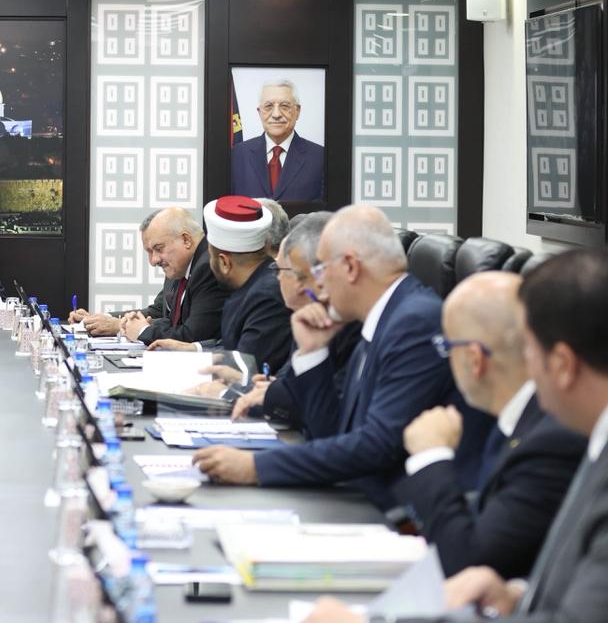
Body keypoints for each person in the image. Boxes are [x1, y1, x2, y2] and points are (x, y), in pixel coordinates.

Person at [306, 249, 608, 623]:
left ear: (561, 365)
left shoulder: (558, 439)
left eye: (529, 351)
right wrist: (519, 594)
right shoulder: (584, 441)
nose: (523, 367)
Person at [192, 205, 488, 510]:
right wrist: (313, 353)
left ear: (349, 267)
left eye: (321, 270)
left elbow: (375, 447)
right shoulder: (383, 317)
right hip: (357, 496)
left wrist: (255, 466)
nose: (318, 286)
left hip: (399, 514)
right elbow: (330, 432)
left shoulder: (414, 323)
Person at [393, 271, 583, 579]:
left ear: (474, 359)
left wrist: (431, 456)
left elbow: (470, 562)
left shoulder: (550, 441)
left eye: (447, 346)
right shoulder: (516, 420)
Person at [228, 212, 363, 429]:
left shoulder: (352, 324)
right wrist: (271, 389)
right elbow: (290, 384)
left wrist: (231, 392)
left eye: (279, 270)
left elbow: (329, 412)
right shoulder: (310, 316)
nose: (276, 278)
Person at [148, 196, 293, 373]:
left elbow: (243, 368)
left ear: (224, 262)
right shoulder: (250, 287)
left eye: (210, 257)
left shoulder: (267, 297)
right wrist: (194, 349)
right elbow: (231, 346)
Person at [73, 208, 228, 345]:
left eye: (158, 249)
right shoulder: (179, 266)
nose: (153, 261)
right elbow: (159, 311)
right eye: (149, 252)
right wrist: (101, 319)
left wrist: (127, 328)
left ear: (186, 240)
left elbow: (192, 336)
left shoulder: (209, 267)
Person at [230, 80, 325, 202]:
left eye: (284, 106)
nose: (276, 114)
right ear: (259, 112)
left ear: (297, 111)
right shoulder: (236, 156)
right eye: (268, 106)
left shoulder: (320, 157)